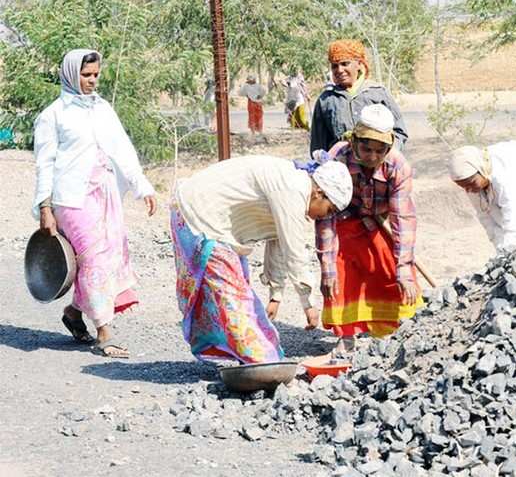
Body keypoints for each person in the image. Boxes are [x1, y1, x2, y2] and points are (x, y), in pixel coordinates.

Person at [33, 49, 157, 358]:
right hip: (70, 198)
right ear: (71, 75)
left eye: (95, 75)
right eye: (85, 75)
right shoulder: (53, 115)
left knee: (103, 258)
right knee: (94, 258)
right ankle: (104, 332)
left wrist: (143, 187)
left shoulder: (103, 109)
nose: (91, 81)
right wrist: (45, 208)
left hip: (105, 194)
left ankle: (74, 313)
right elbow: (44, 164)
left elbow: (123, 150)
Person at [171, 154, 352, 364]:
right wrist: (309, 304)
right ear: (319, 193)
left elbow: (278, 242)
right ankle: (262, 362)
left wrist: (276, 295)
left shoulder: (296, 189)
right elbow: (294, 252)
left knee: (237, 286)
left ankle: (248, 357)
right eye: (329, 210)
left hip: (205, 219)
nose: (325, 217)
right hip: (199, 216)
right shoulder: (292, 190)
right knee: (233, 296)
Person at [316, 104, 423, 355]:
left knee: (387, 268)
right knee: (341, 271)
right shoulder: (337, 159)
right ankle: (346, 334)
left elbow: (403, 219)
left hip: (380, 217)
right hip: (342, 216)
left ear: (389, 148)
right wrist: (327, 270)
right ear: (354, 141)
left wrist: (405, 269)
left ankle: (395, 329)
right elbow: (325, 219)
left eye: (380, 151)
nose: (373, 157)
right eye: (366, 148)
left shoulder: (397, 166)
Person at [310, 39, 409, 155]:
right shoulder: (326, 100)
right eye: (334, 66)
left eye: (345, 64)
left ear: (359, 64)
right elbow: (318, 146)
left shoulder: (378, 93)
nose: (339, 70)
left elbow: (399, 132)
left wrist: (385, 156)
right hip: (342, 169)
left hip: (378, 168)